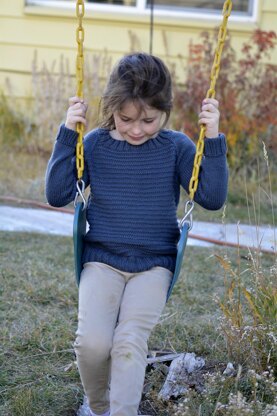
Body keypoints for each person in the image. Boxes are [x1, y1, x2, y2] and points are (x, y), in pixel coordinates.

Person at [45, 52, 228, 416]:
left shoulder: (176, 147)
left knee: (129, 342)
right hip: (101, 261)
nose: (136, 129)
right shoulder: (95, 144)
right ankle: (97, 408)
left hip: (153, 267)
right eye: (126, 118)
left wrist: (212, 137)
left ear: (166, 111)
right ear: (112, 108)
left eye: (149, 119)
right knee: (93, 345)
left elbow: (210, 197)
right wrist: (69, 133)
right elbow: (56, 193)